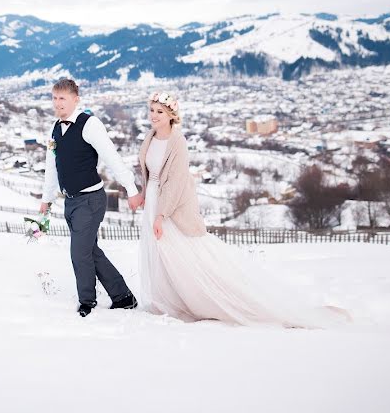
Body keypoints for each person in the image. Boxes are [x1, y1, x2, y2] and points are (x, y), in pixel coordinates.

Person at [138, 91, 350, 327]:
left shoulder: (177, 141)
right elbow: (151, 173)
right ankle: (167, 299)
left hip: (170, 206)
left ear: (171, 115)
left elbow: (176, 181)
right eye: (152, 110)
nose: (154, 116)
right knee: (160, 254)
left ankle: (200, 299)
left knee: (182, 254)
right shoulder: (150, 136)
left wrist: (161, 214)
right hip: (155, 201)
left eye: (160, 112)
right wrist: (144, 195)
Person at [40, 78, 144, 317]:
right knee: (89, 250)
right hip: (70, 201)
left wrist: (131, 189)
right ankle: (123, 297)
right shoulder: (55, 127)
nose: (57, 103)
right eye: (54, 98)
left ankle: (87, 301)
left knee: (79, 252)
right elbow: (52, 167)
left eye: (62, 98)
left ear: (76, 99)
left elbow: (112, 158)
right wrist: (47, 200)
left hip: (90, 200)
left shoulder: (90, 124)